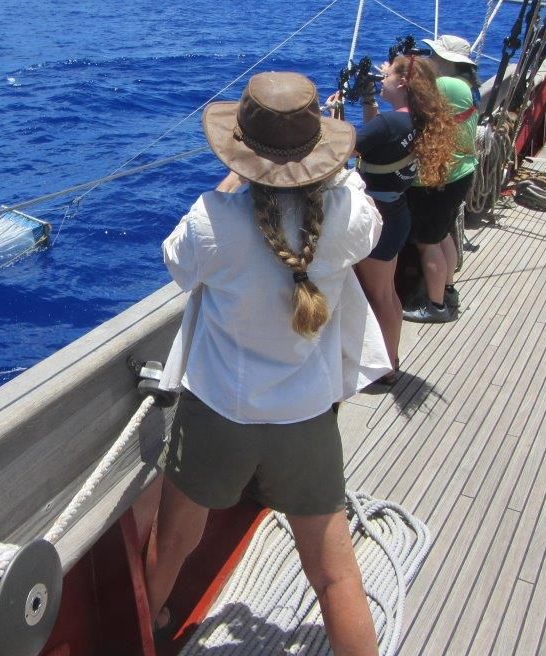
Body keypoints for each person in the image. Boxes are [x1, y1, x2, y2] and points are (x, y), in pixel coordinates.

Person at [146, 71, 390, 655]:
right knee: (334, 576)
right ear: (317, 155)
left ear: (242, 152)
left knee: (174, 542)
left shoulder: (213, 222)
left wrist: (231, 188)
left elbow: (175, 262)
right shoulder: (346, 219)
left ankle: (150, 624)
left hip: (217, 417)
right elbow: (368, 219)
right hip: (306, 420)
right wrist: (343, 177)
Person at [327, 54, 455, 382]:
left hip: (377, 220)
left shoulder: (390, 124)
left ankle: (385, 369)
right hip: (396, 213)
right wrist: (368, 100)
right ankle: (390, 359)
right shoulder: (412, 119)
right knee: (388, 294)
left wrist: (334, 116)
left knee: (379, 296)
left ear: (402, 82)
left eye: (384, 77)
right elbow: (378, 136)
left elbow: (343, 150)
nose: (380, 79)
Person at [404, 35, 480, 323]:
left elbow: (407, 94)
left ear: (448, 61)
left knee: (427, 244)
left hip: (442, 177)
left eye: (434, 55)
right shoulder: (465, 85)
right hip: (459, 171)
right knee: (442, 235)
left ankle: (434, 306)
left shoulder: (448, 85)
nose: (430, 59)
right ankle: (447, 290)